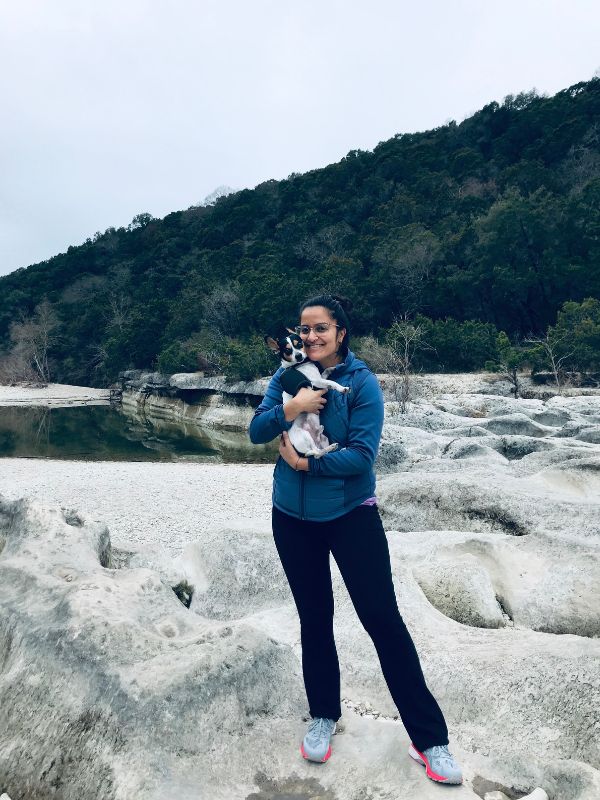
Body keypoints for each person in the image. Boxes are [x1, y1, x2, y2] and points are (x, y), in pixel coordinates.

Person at [249, 294, 462, 785]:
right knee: (315, 618)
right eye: (305, 329)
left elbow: (363, 456)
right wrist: (294, 407)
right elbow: (256, 429)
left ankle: (429, 739)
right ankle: (324, 715)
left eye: (321, 328)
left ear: (340, 331)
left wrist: (309, 464)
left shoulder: (361, 383)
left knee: (383, 621)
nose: (311, 337)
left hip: (350, 516)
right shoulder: (285, 378)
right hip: (292, 519)